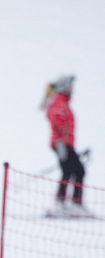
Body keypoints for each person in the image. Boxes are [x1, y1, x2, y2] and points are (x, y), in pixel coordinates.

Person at [41, 75, 88, 214]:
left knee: (72, 171)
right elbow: (56, 121)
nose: (72, 89)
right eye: (70, 86)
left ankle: (68, 202)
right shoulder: (59, 102)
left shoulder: (62, 101)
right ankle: (68, 203)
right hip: (62, 144)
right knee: (76, 170)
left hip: (65, 144)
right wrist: (61, 142)